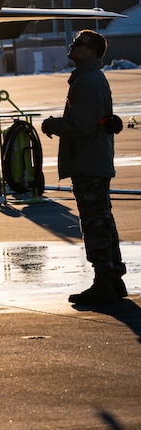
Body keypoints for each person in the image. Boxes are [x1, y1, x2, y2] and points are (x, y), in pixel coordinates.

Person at [41, 29, 126, 305]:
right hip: (94, 158)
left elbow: (80, 123)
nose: (72, 46)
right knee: (102, 218)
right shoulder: (90, 78)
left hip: (89, 160)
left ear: (91, 52)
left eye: (79, 44)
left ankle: (104, 281)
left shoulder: (87, 81)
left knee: (94, 221)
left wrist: (52, 124)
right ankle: (113, 278)